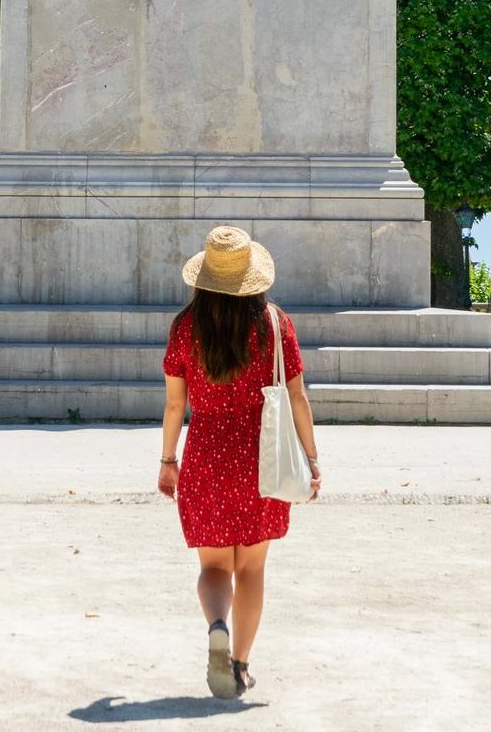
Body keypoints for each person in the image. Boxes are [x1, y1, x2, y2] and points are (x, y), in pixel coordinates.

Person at [156, 226, 321, 700]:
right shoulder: (274, 323)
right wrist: (311, 458)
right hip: (261, 456)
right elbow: (297, 397)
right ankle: (241, 664)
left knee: (213, 566)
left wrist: (168, 460)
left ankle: (216, 626)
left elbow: (173, 406)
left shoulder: (185, 328)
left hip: (206, 452)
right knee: (251, 568)